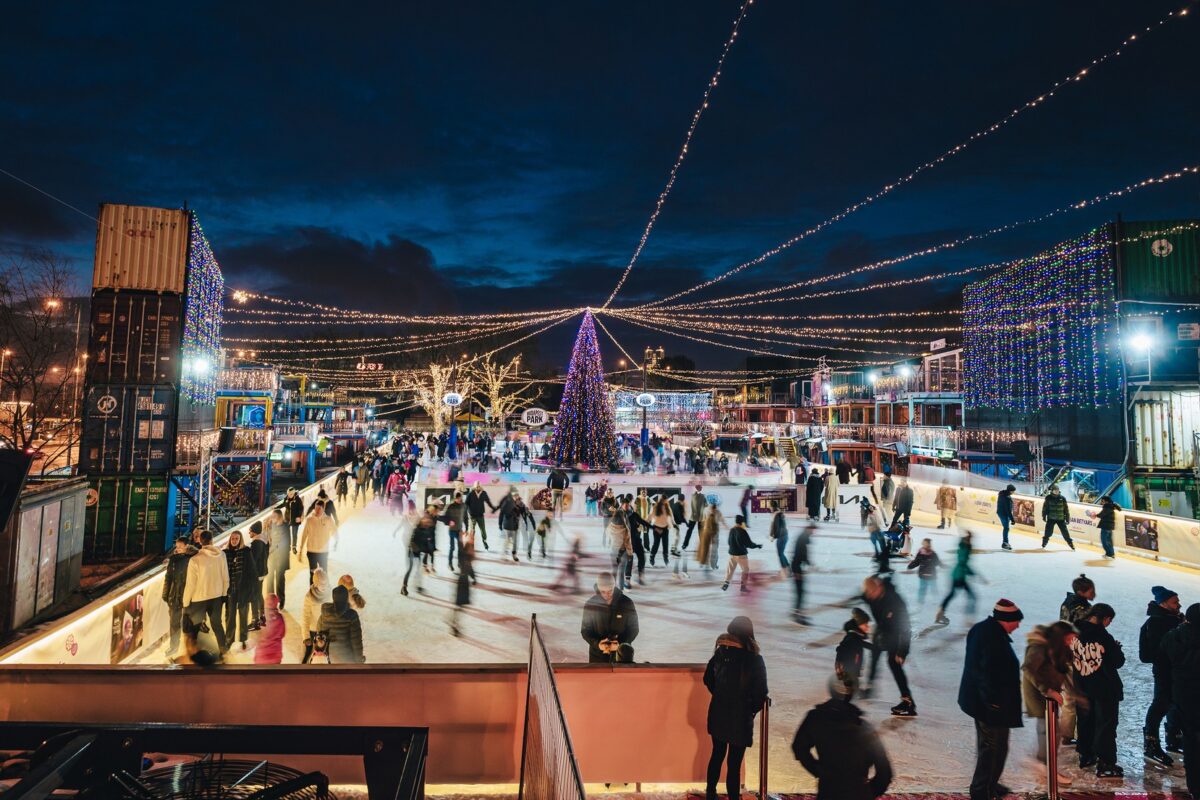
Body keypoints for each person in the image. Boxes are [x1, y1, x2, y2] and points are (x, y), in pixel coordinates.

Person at [958, 599, 1024, 800]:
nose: (1018, 625)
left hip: (986, 703)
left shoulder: (984, 630)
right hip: (990, 707)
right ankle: (981, 791)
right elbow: (985, 673)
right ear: (1006, 620)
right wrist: (993, 702)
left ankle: (990, 784)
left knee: (996, 747)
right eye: (1017, 621)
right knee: (991, 749)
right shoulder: (992, 638)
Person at [792, 675, 892, 800]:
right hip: (858, 792)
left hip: (829, 791)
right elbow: (885, 772)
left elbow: (799, 747)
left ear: (830, 690)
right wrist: (866, 792)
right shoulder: (865, 728)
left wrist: (819, 772)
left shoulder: (815, 718)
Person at [702, 616, 768, 800]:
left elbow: (708, 679)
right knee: (734, 763)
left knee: (717, 754)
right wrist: (750, 710)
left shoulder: (720, 654)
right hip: (740, 717)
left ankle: (710, 793)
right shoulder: (754, 659)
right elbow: (761, 692)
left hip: (719, 713)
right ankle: (733, 797)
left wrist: (720, 695)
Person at [1071, 603, 1125, 777]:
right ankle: (1106, 763)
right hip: (1104, 688)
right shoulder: (1103, 636)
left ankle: (1086, 755)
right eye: (1110, 620)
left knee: (1085, 721)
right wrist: (1116, 648)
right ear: (1105, 618)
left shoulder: (1074, 631)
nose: (1109, 624)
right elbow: (1117, 661)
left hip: (1081, 685)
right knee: (1105, 725)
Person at [860, 575, 916, 716]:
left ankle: (908, 703)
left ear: (880, 588)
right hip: (881, 632)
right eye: (868, 594)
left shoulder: (896, 601)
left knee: (894, 664)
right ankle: (869, 687)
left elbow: (906, 627)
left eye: (873, 593)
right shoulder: (870, 595)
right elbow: (862, 596)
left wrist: (903, 651)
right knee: (874, 657)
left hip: (895, 636)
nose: (871, 597)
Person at [1160, 602, 1200, 798]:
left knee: (1191, 740)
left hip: (1182, 694)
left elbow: (1162, 666)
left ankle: (1194, 787)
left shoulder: (1172, 636)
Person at [1140, 585, 1183, 767]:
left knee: (1175, 703)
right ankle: (1151, 743)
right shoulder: (1155, 623)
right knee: (1161, 704)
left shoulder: (1176, 619)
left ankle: (1174, 737)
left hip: (1178, 671)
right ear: (1163, 604)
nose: (1179, 605)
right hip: (1165, 671)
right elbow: (1147, 655)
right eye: (1175, 602)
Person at [581, 572, 639, 663]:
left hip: (621, 656)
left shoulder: (627, 603)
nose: (607, 595)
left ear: (614, 586)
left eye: (610, 591)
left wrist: (620, 644)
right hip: (597, 656)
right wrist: (598, 645)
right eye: (603, 592)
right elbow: (585, 630)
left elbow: (634, 628)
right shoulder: (590, 605)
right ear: (598, 588)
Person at [223, 530, 258, 651]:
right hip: (230, 590)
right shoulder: (225, 553)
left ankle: (243, 640)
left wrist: (252, 590)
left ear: (240, 539)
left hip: (243, 590)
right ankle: (229, 640)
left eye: (236, 538)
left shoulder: (246, 552)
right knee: (230, 617)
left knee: (243, 616)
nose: (234, 541)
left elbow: (252, 571)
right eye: (232, 538)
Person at [163, 536, 196, 656]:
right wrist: (165, 594)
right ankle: (174, 647)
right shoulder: (173, 559)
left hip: (188, 594)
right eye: (176, 547)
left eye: (180, 547)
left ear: (187, 546)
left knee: (189, 622)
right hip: (174, 595)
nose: (177, 549)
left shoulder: (193, 558)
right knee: (174, 622)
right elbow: (168, 577)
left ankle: (191, 647)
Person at [935, 531, 977, 626]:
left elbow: (963, 560)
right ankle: (968, 618)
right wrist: (971, 572)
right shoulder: (965, 550)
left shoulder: (962, 548)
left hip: (957, 575)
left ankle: (940, 612)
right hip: (959, 576)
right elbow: (963, 563)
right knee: (972, 597)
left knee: (952, 594)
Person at [318, 584, 366, 663]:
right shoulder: (352, 615)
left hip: (329, 658)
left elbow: (319, 636)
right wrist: (359, 660)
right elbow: (356, 641)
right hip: (347, 659)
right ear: (346, 598)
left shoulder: (324, 615)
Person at [298, 500, 338, 583]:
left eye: (319, 509)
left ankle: (325, 588)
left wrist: (335, 542)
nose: (317, 510)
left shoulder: (328, 520)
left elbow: (335, 532)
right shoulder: (309, 520)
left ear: (323, 508)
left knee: (324, 573)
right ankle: (312, 589)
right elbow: (304, 535)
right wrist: (300, 550)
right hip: (311, 551)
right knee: (313, 574)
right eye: (316, 508)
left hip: (323, 551)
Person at [722, 515, 762, 593]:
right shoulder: (742, 531)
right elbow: (749, 544)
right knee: (745, 570)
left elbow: (729, 542)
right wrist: (757, 546)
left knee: (730, 570)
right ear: (742, 522)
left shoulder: (731, 530)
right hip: (741, 555)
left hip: (732, 554)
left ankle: (726, 584)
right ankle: (743, 587)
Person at [402, 512, 437, 596]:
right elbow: (411, 541)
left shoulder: (427, 531)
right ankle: (404, 587)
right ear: (422, 521)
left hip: (418, 553)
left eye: (428, 522)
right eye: (426, 521)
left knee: (418, 570)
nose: (427, 523)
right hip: (411, 552)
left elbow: (427, 543)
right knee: (410, 569)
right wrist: (415, 548)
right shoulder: (416, 529)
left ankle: (418, 586)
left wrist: (429, 551)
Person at [836, 609, 873, 686]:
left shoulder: (856, 636)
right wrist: (839, 662)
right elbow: (841, 648)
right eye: (865, 624)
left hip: (852, 669)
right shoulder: (852, 637)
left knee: (853, 684)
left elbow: (862, 644)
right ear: (858, 625)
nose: (868, 627)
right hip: (848, 669)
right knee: (850, 686)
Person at [302, 567, 332, 663]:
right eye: (321, 584)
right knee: (309, 650)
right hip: (313, 629)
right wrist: (306, 636)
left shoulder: (331, 594)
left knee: (326, 651)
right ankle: (305, 663)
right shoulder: (309, 597)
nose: (324, 586)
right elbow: (305, 617)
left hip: (326, 628)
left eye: (326, 584)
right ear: (315, 584)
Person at [265, 509, 291, 609]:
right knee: (270, 578)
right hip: (271, 556)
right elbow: (268, 539)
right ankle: (270, 599)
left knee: (280, 579)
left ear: (280, 517)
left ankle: (281, 599)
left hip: (281, 557)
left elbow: (287, 542)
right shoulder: (271, 525)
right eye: (272, 516)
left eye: (274, 516)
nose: (272, 518)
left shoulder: (285, 526)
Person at [906, 537, 942, 607]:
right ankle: (920, 601)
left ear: (929, 544)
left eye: (925, 543)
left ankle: (936, 599)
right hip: (923, 575)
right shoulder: (920, 553)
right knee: (922, 589)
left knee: (933, 588)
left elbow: (938, 562)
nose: (923, 544)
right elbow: (916, 561)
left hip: (931, 575)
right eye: (923, 543)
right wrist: (910, 566)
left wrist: (944, 566)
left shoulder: (933, 553)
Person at [247, 521, 269, 630]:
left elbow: (253, 561)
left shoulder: (256, 543)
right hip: (262, 572)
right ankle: (262, 616)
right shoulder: (264, 541)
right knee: (259, 594)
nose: (249, 533)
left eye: (250, 531)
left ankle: (255, 621)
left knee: (253, 596)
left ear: (254, 532)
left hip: (256, 574)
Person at [253, 593, 286, 665]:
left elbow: (256, 637)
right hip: (276, 657)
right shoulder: (280, 618)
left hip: (261, 657)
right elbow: (283, 633)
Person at [791, 523, 814, 624]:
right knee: (800, 592)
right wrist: (798, 571)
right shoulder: (803, 538)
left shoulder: (804, 537)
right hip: (796, 567)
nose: (813, 532)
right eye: (812, 530)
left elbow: (803, 554)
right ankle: (797, 614)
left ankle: (797, 612)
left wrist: (808, 562)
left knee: (800, 591)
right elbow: (801, 553)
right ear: (809, 529)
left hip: (797, 566)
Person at [1041, 486, 1074, 550]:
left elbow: (1066, 509)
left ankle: (1070, 543)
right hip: (1051, 518)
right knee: (1048, 532)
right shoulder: (1048, 498)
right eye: (1055, 490)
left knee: (1065, 532)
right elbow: (1045, 507)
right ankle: (1044, 542)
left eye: (1057, 490)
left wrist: (1067, 518)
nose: (1056, 491)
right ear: (1052, 491)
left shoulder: (1062, 498)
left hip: (1060, 519)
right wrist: (1044, 515)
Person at [465, 483, 497, 549]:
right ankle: (471, 544)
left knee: (483, 530)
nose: (477, 488)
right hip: (472, 516)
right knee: (472, 530)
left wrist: (493, 508)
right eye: (476, 486)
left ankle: (484, 541)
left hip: (480, 515)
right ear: (474, 487)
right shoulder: (470, 494)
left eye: (479, 486)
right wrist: (467, 512)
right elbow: (466, 503)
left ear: (480, 487)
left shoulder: (483, 493)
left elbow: (488, 501)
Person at [648, 496, 672, 567]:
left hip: (665, 528)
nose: (665, 502)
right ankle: (652, 557)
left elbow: (670, 516)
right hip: (657, 528)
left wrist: (672, 524)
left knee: (665, 544)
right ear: (661, 500)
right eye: (664, 500)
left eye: (666, 500)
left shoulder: (667, 507)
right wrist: (646, 522)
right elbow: (650, 516)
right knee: (656, 544)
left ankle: (666, 558)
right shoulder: (655, 507)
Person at [768, 500, 789, 577]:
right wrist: (772, 535)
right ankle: (788, 569)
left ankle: (785, 571)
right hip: (784, 535)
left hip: (782, 537)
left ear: (772, 506)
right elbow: (773, 526)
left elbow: (776, 527)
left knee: (780, 554)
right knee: (781, 553)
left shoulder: (776, 514)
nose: (769, 507)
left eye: (770, 506)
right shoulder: (778, 513)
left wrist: (773, 537)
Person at [1097, 495, 1121, 559]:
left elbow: (1101, 515)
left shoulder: (1107, 507)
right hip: (1109, 526)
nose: (1101, 502)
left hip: (1106, 526)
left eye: (1102, 501)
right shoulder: (1111, 506)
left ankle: (1109, 554)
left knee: (1104, 541)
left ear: (1106, 501)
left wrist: (1095, 515)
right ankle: (1111, 554)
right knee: (1109, 541)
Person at [684, 485, 707, 550]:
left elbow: (705, 504)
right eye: (700, 488)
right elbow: (706, 505)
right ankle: (702, 545)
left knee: (691, 531)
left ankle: (685, 544)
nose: (701, 488)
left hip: (695, 516)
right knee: (699, 531)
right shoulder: (702, 496)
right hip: (699, 516)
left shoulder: (694, 496)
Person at [283, 487, 304, 555]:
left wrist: (299, 516)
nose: (289, 495)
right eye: (288, 494)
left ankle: (294, 547)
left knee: (294, 534)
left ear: (294, 493)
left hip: (295, 519)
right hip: (287, 519)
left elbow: (301, 508)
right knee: (287, 533)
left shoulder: (298, 499)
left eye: (291, 494)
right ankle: (288, 546)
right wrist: (276, 507)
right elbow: (283, 504)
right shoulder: (286, 498)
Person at [996, 485, 1016, 551]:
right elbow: (1008, 510)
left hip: (1001, 513)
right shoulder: (1006, 497)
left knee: (1006, 528)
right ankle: (1005, 543)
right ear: (1010, 491)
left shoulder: (1003, 494)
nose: (1014, 492)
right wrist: (1012, 519)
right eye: (1013, 491)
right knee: (1006, 528)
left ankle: (1005, 542)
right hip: (1004, 514)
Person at [669, 492, 687, 557]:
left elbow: (680, 515)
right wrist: (685, 522)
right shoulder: (677, 505)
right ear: (682, 499)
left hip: (674, 523)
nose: (684, 501)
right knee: (677, 537)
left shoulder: (677, 505)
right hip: (674, 523)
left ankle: (674, 548)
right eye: (683, 499)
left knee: (677, 536)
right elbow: (679, 515)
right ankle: (673, 550)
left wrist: (685, 522)